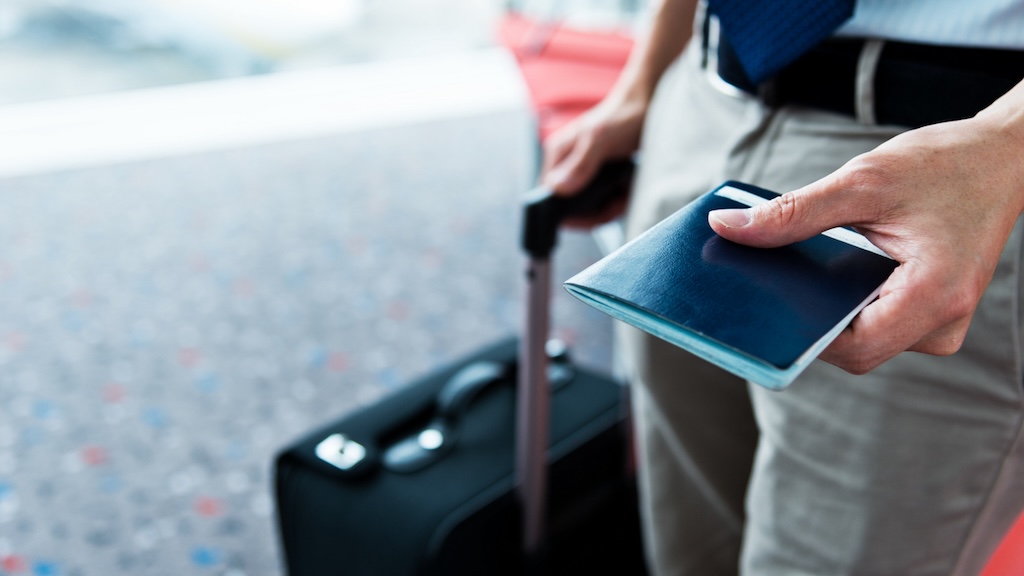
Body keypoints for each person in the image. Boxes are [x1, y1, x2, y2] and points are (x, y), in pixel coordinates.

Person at [541, 0, 1024, 574]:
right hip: (704, 95)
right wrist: (645, 83)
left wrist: (1006, 147)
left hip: (947, 161)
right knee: (688, 547)